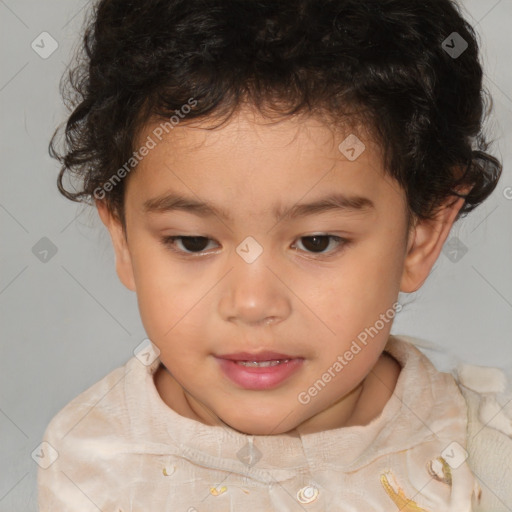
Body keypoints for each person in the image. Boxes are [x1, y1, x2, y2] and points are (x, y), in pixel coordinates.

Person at [37, 0, 512, 510]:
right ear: (124, 237)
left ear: (421, 233)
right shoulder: (92, 464)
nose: (252, 303)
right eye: (194, 242)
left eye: (316, 242)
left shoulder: (489, 451)